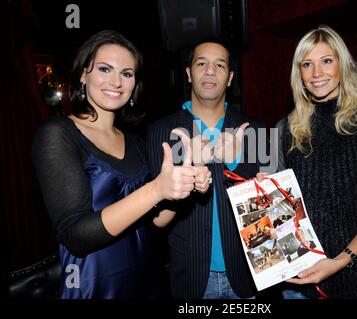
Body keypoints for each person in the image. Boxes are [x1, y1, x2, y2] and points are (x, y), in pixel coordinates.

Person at [32, 30, 210, 299]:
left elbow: (154, 223)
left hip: (150, 283)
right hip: (97, 287)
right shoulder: (58, 133)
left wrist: (181, 188)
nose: (116, 81)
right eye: (105, 69)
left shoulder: (136, 142)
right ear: (83, 74)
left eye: (127, 73)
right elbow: (76, 237)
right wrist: (156, 190)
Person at [275, 25, 357, 298]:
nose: (317, 73)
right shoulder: (284, 129)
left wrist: (340, 260)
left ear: (343, 65)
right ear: (300, 74)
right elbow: (280, 211)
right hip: (299, 281)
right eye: (307, 64)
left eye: (326, 61)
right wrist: (266, 189)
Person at [146, 39, 265, 299]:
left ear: (230, 78)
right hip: (190, 279)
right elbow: (154, 220)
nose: (210, 71)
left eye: (219, 65)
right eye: (201, 63)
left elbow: (271, 211)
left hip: (247, 277)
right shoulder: (161, 132)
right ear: (188, 74)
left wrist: (234, 164)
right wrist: (187, 178)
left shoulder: (256, 132)